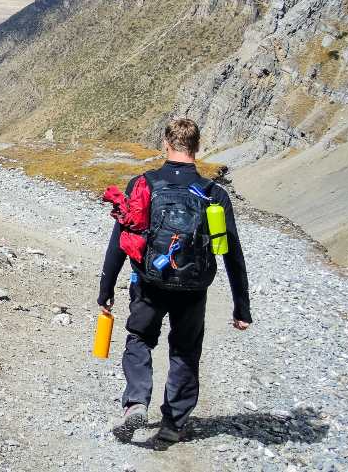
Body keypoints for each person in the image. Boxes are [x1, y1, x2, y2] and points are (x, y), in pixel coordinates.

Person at [96, 117, 251, 450]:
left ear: (165, 144)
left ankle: (136, 402)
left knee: (139, 338)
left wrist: (105, 289)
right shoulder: (214, 194)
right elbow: (232, 253)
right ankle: (172, 426)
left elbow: (121, 240)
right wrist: (242, 308)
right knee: (184, 352)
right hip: (193, 288)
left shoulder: (143, 184)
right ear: (198, 147)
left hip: (149, 282)